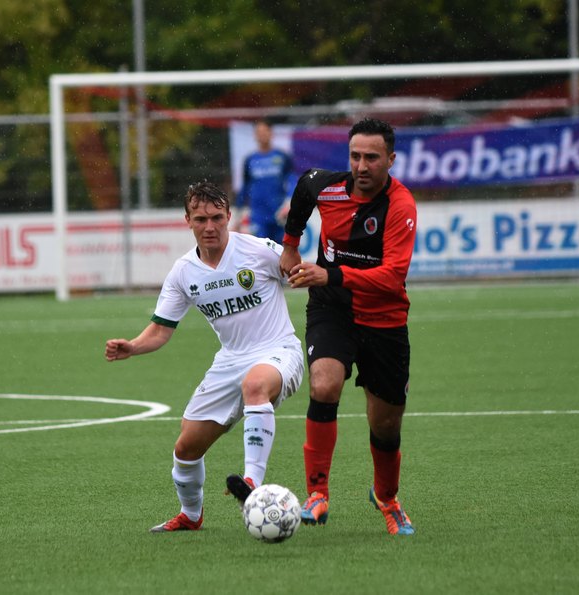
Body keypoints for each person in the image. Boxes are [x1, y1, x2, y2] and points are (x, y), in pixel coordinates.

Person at [105, 180, 304, 532]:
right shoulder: (183, 272)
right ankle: (191, 515)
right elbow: (161, 329)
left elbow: (300, 272)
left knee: (255, 384)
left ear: (229, 216)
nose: (209, 227)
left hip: (278, 350)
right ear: (187, 220)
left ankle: (253, 486)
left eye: (216, 217)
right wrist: (134, 346)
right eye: (200, 219)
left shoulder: (259, 250)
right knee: (185, 447)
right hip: (230, 360)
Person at [279, 117, 417, 536]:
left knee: (386, 424)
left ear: (390, 160)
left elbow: (393, 277)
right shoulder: (326, 185)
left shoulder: (401, 206)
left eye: (372, 157)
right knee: (323, 387)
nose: (362, 165)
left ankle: (386, 498)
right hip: (332, 310)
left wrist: (330, 274)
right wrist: (290, 246)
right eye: (355, 156)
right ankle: (317, 494)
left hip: (384, 318)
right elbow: (303, 190)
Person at [235, 118, 296, 243]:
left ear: (271, 133)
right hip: (258, 217)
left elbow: (291, 179)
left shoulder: (281, 156)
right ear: (255, 135)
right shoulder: (250, 160)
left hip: (279, 214)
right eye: (259, 132)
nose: (262, 134)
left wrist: (289, 202)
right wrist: (238, 214)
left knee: (282, 254)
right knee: (260, 253)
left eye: (265, 131)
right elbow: (245, 187)